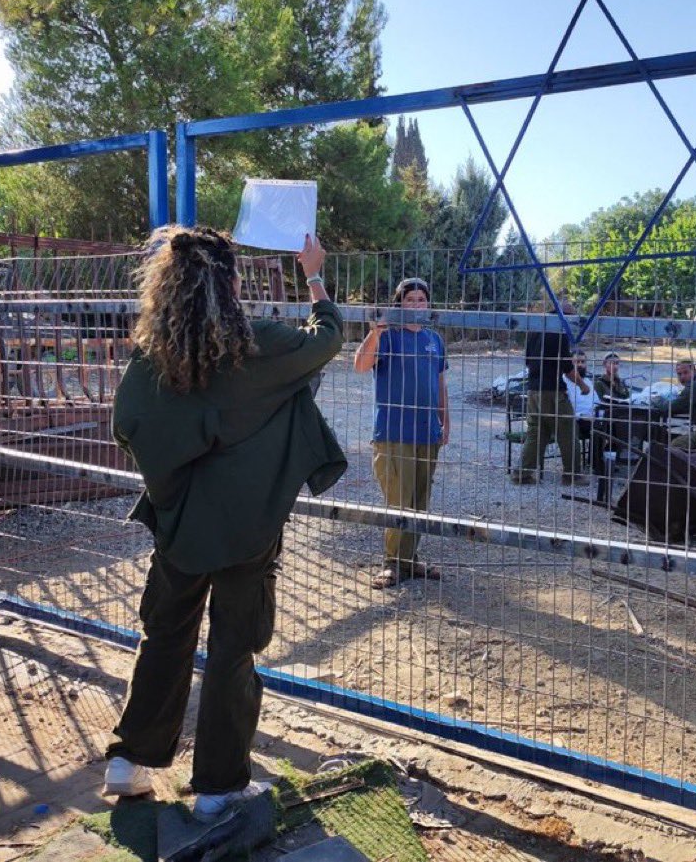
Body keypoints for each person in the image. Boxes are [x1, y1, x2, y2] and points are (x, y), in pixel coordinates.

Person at [103, 227, 345, 820]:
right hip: (246, 530)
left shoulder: (152, 357)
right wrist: (313, 274)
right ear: (233, 285)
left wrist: (172, 479)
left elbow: (127, 425)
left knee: (164, 636)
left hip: (180, 527)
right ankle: (218, 787)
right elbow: (329, 338)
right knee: (233, 650)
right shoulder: (256, 346)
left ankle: (129, 761)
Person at [354, 277, 449, 589]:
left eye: (422, 300)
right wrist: (374, 333)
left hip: (426, 433)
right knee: (398, 499)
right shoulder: (388, 337)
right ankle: (392, 563)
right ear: (400, 304)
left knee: (420, 500)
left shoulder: (435, 339)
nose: (417, 306)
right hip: (394, 432)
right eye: (411, 300)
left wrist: (444, 422)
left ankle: (411, 559)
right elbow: (360, 365)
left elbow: (440, 383)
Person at [513, 299, 590, 485]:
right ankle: (573, 475)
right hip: (553, 392)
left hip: (533, 390)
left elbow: (528, 361)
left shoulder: (534, 330)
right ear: (564, 316)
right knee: (569, 432)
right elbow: (567, 368)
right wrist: (583, 385)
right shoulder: (558, 331)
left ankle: (521, 474)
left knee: (536, 433)